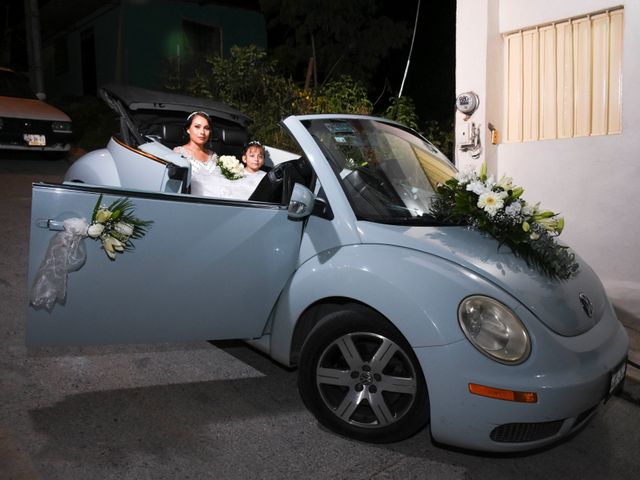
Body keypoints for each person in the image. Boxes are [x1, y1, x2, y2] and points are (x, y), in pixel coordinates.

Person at [173, 111, 218, 196]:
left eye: (206, 128)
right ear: (188, 129)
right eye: (197, 127)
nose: (202, 132)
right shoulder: (179, 152)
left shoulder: (213, 155)